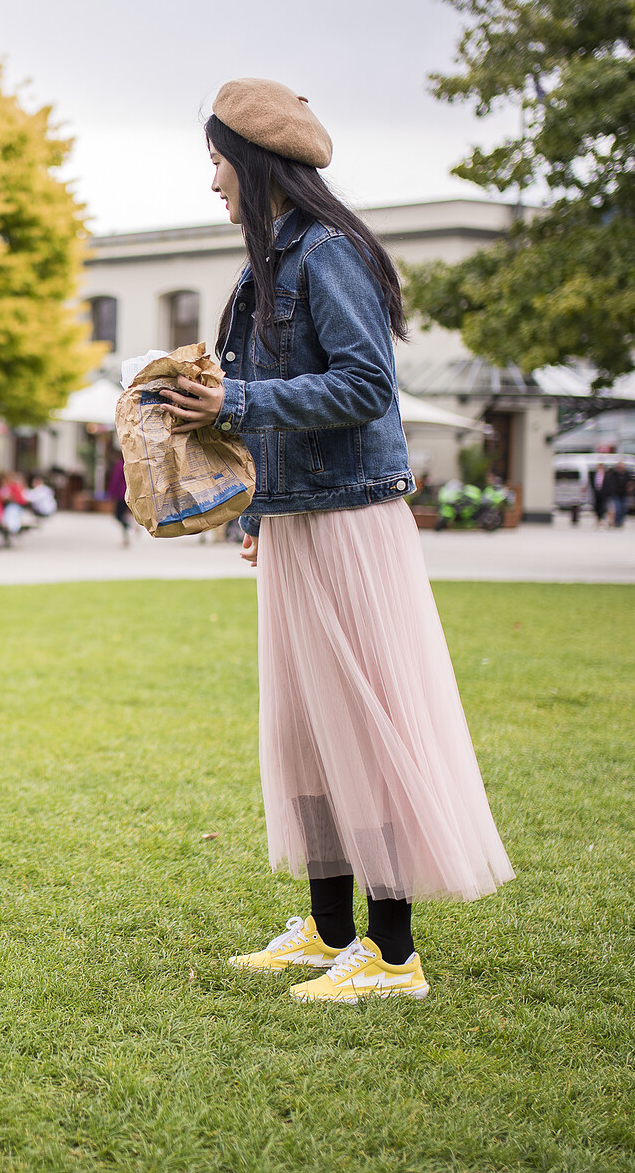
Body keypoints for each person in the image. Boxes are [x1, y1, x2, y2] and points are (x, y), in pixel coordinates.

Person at [160, 78, 512, 1002]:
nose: (213, 185)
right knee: (309, 732)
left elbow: (365, 387)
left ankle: (392, 957)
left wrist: (235, 399)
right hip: (299, 521)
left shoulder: (327, 255)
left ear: (254, 164)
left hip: (353, 525)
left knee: (364, 724)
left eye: (216, 165)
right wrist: (256, 509)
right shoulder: (263, 267)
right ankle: (326, 932)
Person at [107, 453, 132, 546]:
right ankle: (128, 533)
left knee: (118, 515)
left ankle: (131, 527)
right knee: (122, 515)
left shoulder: (119, 466)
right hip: (128, 494)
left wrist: (111, 493)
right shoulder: (129, 465)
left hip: (121, 495)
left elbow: (115, 480)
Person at [601, 460, 630, 529]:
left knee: (624, 509)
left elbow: (630, 483)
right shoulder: (614, 474)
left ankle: (621, 520)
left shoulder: (626, 474)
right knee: (617, 508)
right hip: (615, 494)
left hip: (624, 494)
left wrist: (629, 489)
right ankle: (617, 522)